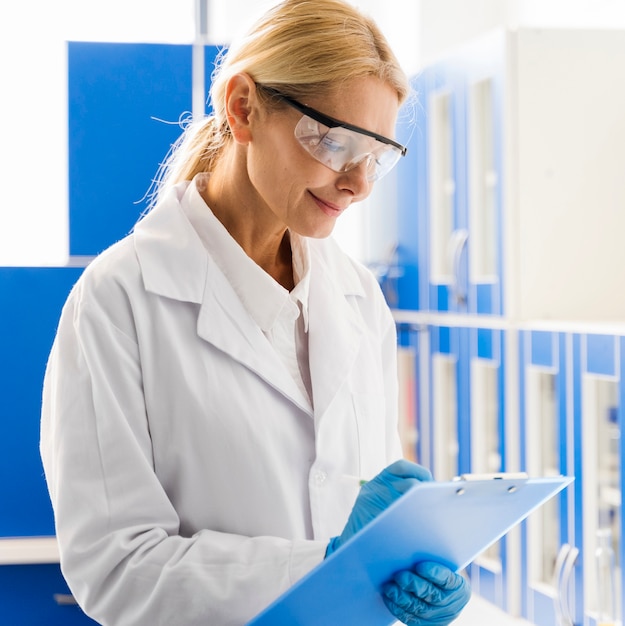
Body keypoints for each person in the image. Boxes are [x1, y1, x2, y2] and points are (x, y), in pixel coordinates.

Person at [40, 0, 471, 624]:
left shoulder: (356, 297)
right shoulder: (120, 300)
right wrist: (323, 561)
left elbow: (368, 518)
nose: (358, 184)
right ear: (243, 108)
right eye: (335, 141)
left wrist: (408, 567)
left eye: (375, 153)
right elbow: (116, 569)